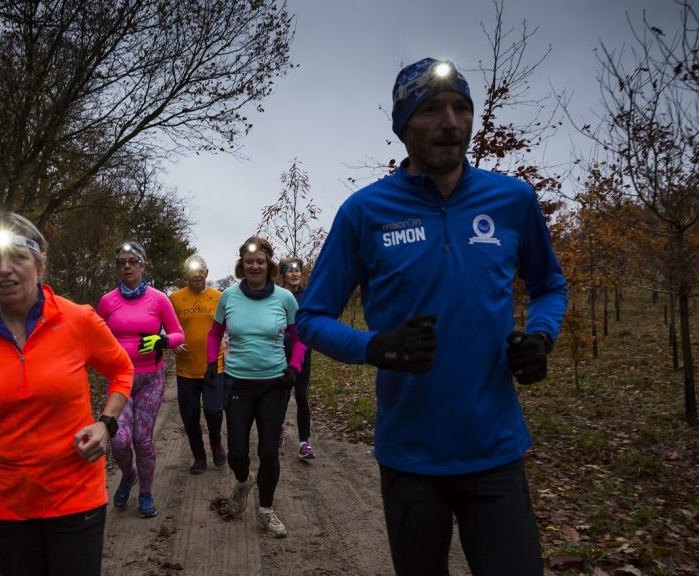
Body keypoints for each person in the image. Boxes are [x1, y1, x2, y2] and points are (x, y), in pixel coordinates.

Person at [295, 57, 568, 576]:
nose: (451, 122)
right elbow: (311, 317)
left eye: (461, 108)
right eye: (432, 110)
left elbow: (550, 285)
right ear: (402, 126)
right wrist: (373, 347)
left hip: (496, 451)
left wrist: (541, 337)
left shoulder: (512, 199)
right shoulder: (364, 212)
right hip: (411, 459)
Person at [0, 212, 133, 576]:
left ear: (40, 261)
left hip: (76, 494)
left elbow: (122, 370)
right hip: (8, 504)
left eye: (18, 256)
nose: (5, 269)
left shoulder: (77, 319)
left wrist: (105, 424)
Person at [205, 236, 305, 538]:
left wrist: (294, 366)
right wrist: (212, 362)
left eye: (260, 261)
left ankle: (265, 509)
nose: (254, 266)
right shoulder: (229, 296)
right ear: (242, 265)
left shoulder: (286, 299)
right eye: (249, 261)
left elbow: (300, 337)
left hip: (274, 385)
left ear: (269, 264)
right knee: (237, 450)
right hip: (237, 383)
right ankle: (242, 479)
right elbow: (214, 333)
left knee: (268, 451)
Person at [98, 241, 184, 518]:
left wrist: (162, 340)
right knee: (119, 440)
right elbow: (95, 334)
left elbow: (178, 334)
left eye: (132, 262)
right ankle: (128, 474)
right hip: (119, 381)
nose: (126, 266)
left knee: (142, 440)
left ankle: (145, 493)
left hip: (150, 380)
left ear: (143, 266)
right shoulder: (107, 301)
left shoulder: (159, 299)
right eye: (121, 262)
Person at [168, 254, 227, 475]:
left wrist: (229, 345)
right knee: (190, 415)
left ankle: (216, 442)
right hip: (186, 369)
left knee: (213, 410)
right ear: (187, 275)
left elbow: (229, 326)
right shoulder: (174, 298)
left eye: (201, 271)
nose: (197, 275)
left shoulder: (219, 297)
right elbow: (167, 327)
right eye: (193, 272)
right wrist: (172, 343)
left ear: (207, 273)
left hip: (214, 365)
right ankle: (199, 455)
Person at [278, 257, 315, 460]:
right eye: (289, 270)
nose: (294, 273)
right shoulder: (278, 295)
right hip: (280, 350)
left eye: (297, 270)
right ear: (283, 274)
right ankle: (278, 429)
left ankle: (304, 443)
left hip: (303, 351)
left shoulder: (308, 296)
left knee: (301, 395)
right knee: (282, 394)